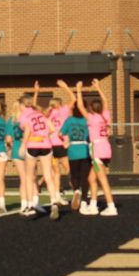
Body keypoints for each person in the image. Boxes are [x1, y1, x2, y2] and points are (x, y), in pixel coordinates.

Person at [76, 79, 117, 216]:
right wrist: (99, 88)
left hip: (97, 150)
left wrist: (79, 90)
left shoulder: (92, 118)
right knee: (91, 179)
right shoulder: (105, 116)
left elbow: (80, 106)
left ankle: (111, 206)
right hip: (106, 148)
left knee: (102, 179)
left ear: (92, 109)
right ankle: (93, 205)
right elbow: (106, 102)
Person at [19, 92, 60, 219]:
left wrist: (22, 146)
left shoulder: (26, 117)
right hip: (46, 145)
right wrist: (45, 136)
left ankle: (30, 205)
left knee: (28, 176)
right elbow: (53, 129)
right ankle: (54, 201)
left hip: (32, 145)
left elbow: (26, 132)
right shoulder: (43, 116)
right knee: (48, 175)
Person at [56, 80, 90, 211]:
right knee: (84, 177)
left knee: (74, 175)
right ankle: (84, 202)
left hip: (73, 150)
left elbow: (60, 133)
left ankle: (76, 190)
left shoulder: (69, 120)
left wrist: (65, 140)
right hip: (85, 149)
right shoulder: (87, 119)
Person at [46, 90, 72, 208]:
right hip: (61, 143)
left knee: (56, 172)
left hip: (50, 145)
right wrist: (65, 87)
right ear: (59, 104)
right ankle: (77, 190)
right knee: (69, 169)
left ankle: (57, 195)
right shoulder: (63, 111)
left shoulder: (48, 114)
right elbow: (73, 99)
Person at [6, 97, 31, 215]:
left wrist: (9, 148)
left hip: (16, 148)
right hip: (28, 146)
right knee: (31, 177)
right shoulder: (27, 118)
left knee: (23, 178)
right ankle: (32, 202)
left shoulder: (11, 120)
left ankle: (23, 203)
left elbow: (8, 139)